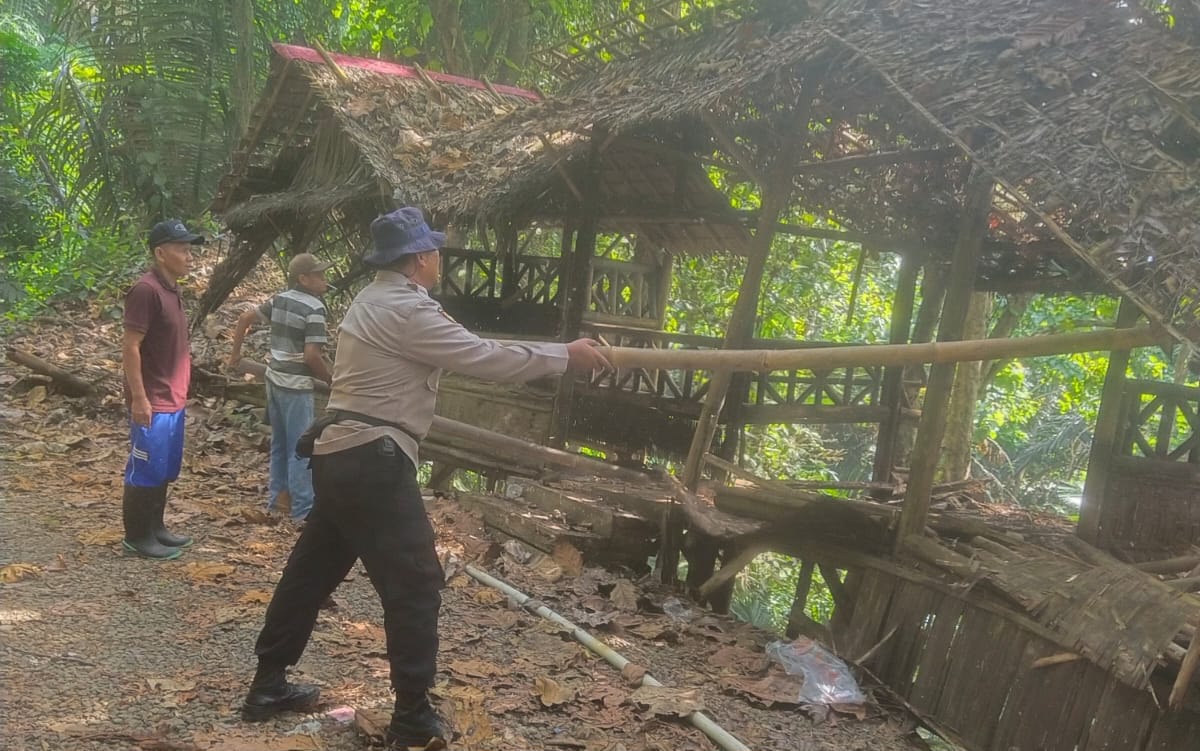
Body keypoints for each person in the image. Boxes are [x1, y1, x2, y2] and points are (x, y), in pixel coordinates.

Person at [240, 207, 611, 749]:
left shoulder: (374, 300)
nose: (439, 257)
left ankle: (267, 683)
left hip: (340, 456)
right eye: (435, 250)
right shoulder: (406, 311)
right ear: (420, 259)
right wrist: (565, 355)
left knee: (312, 571)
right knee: (415, 583)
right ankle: (412, 714)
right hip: (371, 461)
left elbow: (470, 347)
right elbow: (484, 356)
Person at [121, 219, 205, 560]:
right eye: (182, 249)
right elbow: (130, 346)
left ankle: (156, 527)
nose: (189, 256)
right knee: (145, 468)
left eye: (190, 249)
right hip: (153, 399)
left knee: (165, 466)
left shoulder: (171, 289)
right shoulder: (146, 290)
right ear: (160, 253)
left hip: (173, 398)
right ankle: (137, 536)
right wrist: (139, 397)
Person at [227, 253, 333, 521]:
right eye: (319, 275)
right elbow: (311, 356)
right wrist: (332, 381)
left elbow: (244, 319)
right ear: (304, 279)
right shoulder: (315, 308)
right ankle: (303, 510)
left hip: (274, 380)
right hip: (296, 386)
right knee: (301, 447)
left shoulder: (280, 299)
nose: (324, 279)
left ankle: (277, 501)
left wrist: (235, 355)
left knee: (280, 443)